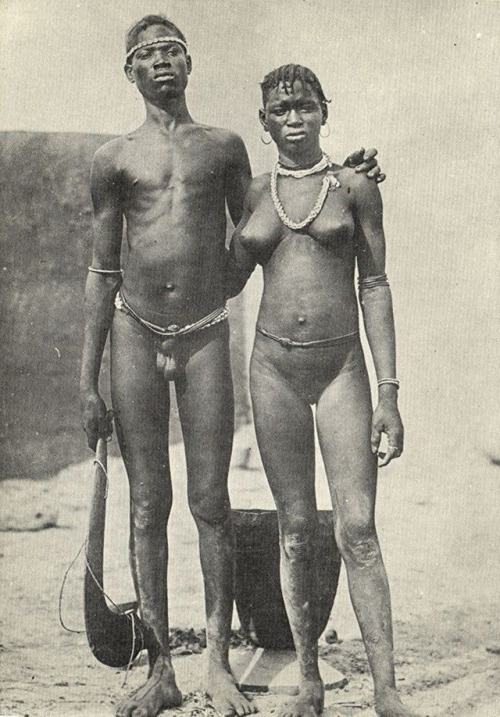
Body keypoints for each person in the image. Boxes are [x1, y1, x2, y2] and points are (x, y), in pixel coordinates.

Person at [79, 16, 384, 717]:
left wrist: (347, 176)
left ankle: (217, 662)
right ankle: (161, 668)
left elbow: (274, 211)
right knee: (148, 500)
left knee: (210, 500)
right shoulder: (112, 158)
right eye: (147, 55)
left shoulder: (223, 148)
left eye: (173, 52)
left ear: (189, 64)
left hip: (206, 334)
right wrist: (86, 375)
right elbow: (101, 269)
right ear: (129, 71)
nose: (162, 63)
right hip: (132, 331)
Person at [228, 65, 415, 717]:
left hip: (342, 370)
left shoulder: (355, 185)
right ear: (264, 122)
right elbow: (222, 278)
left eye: (305, 105)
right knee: (296, 529)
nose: (295, 117)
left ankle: (386, 689)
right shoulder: (252, 193)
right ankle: (308, 679)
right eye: (281, 109)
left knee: (358, 527)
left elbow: (376, 284)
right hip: (273, 370)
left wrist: (388, 390)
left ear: (324, 112)